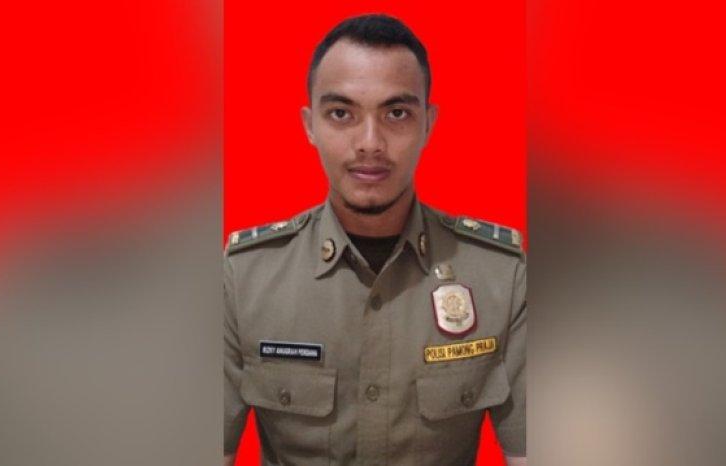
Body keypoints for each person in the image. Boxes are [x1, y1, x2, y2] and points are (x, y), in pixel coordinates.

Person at [224, 14, 526, 466]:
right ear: (310, 125)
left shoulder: (501, 277)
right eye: (341, 113)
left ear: (428, 124)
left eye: (396, 113)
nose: (370, 142)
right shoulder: (243, 278)